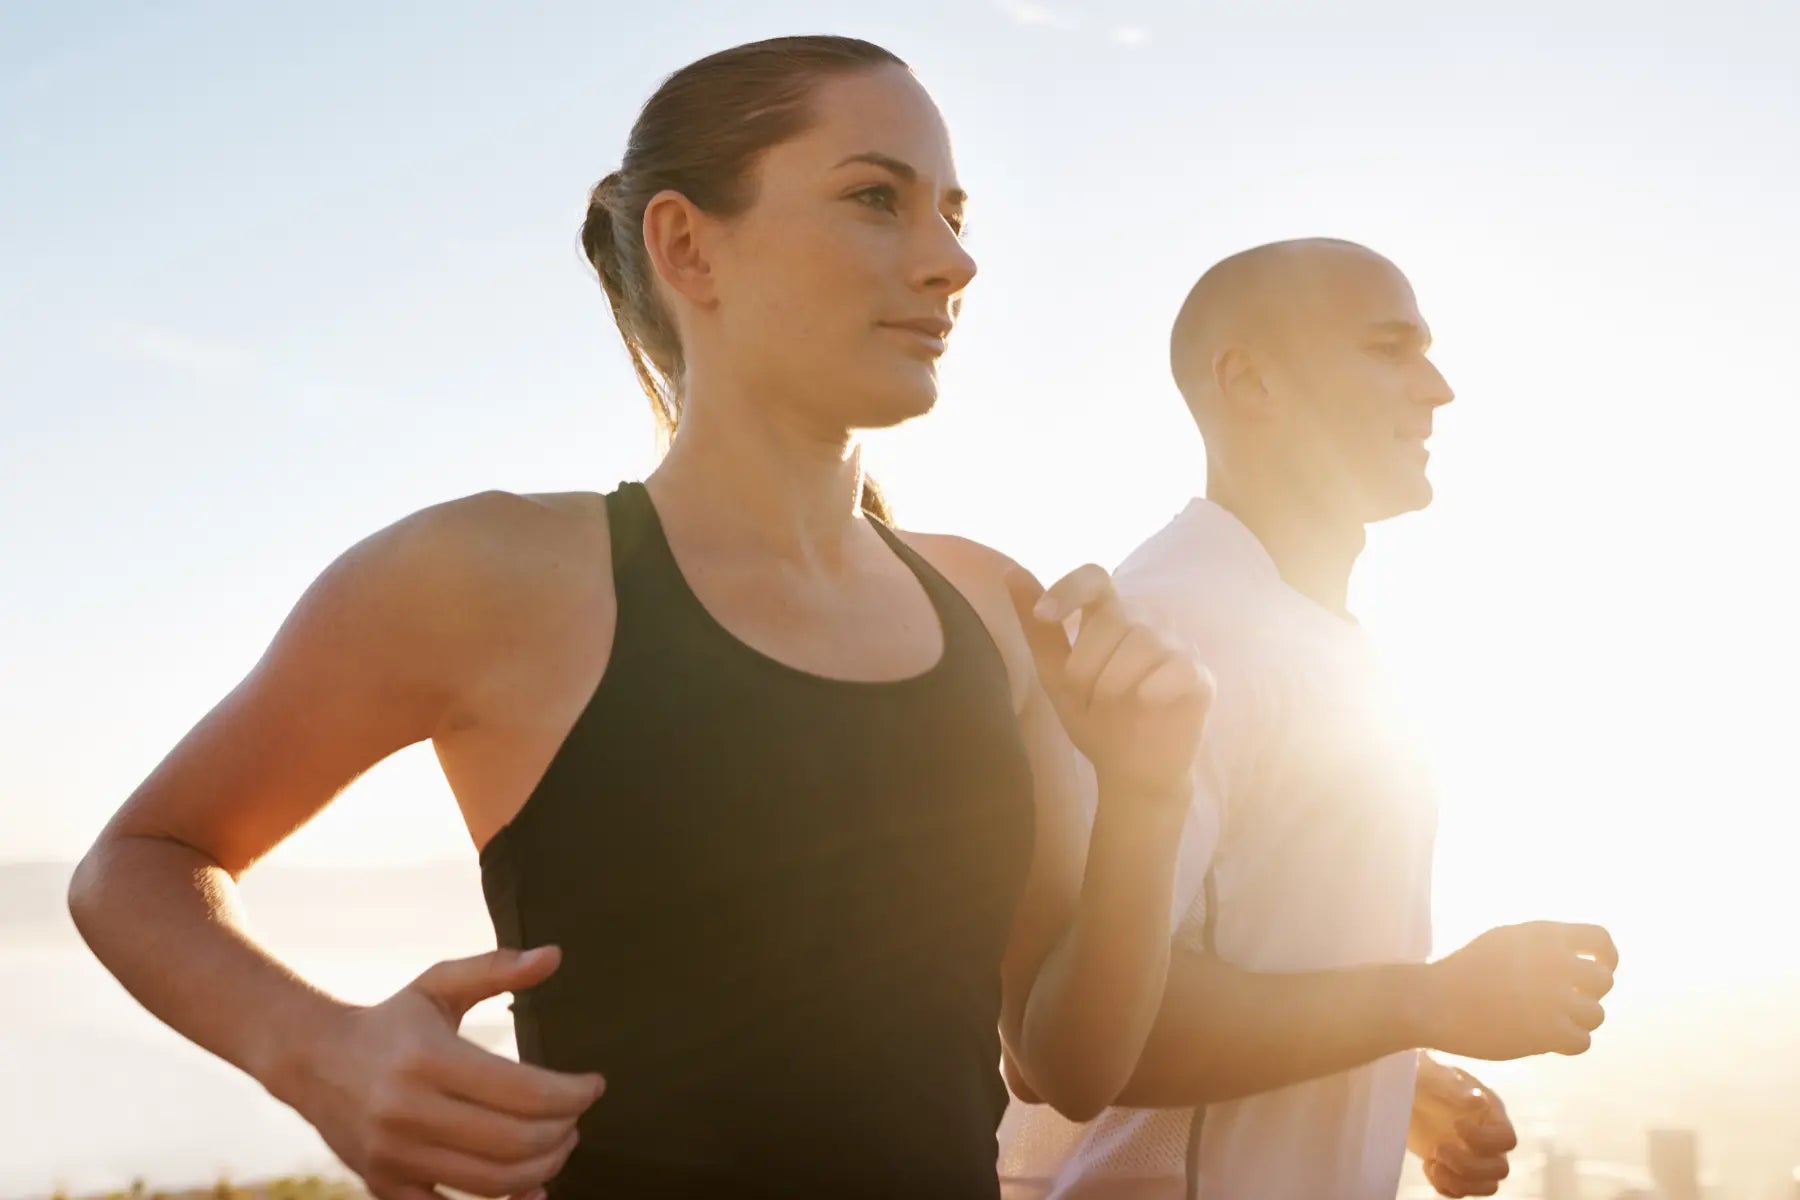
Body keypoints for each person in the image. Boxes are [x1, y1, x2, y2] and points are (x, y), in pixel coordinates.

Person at [67, 37, 1213, 1200]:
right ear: (684, 245)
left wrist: (1150, 795)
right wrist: (318, 1054)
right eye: (878, 198)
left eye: (955, 213)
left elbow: (1067, 1061)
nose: (952, 260)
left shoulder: (993, 607)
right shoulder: (490, 576)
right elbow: (137, 864)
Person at [999, 239, 1619, 1200]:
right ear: (1248, 382)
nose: (1438, 387)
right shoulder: (1172, 631)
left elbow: (1254, 949)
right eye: (1389, 348)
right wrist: (1433, 1000)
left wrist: (1389, 1078)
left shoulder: (1317, 636)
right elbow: (1090, 1043)